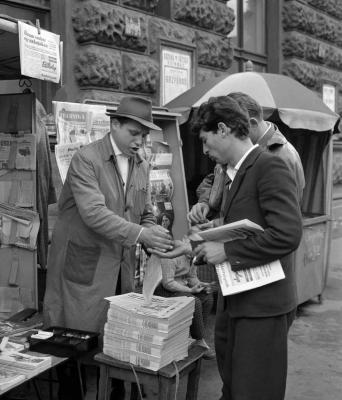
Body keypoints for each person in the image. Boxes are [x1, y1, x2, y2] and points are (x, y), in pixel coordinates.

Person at [151, 96, 303, 400]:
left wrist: (227, 252)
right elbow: (243, 226)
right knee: (234, 387)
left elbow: (287, 234)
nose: (205, 151)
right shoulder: (237, 171)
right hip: (237, 300)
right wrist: (193, 242)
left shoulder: (270, 164)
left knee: (255, 391)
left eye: (206, 141)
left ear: (223, 129)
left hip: (263, 307)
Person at [43, 96, 174, 400]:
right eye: (134, 133)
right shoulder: (86, 159)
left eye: (144, 135)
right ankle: (70, 392)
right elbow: (94, 214)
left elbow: (143, 211)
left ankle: (114, 390)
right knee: (74, 337)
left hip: (119, 263)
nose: (140, 141)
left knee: (116, 336)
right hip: (83, 263)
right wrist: (142, 234)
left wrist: (154, 229)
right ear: (114, 125)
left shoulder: (141, 162)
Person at [192, 92, 305, 222]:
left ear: (252, 123)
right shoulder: (233, 151)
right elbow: (214, 179)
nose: (234, 131)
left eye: (236, 125)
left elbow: (284, 221)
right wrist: (205, 202)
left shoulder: (282, 156)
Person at [155, 215, 215, 360]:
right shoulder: (172, 253)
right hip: (164, 291)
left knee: (207, 298)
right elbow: (168, 283)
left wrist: (200, 285)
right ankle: (199, 340)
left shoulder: (193, 257)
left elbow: (191, 277)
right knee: (194, 301)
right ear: (185, 241)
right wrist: (190, 290)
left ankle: (196, 336)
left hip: (182, 288)